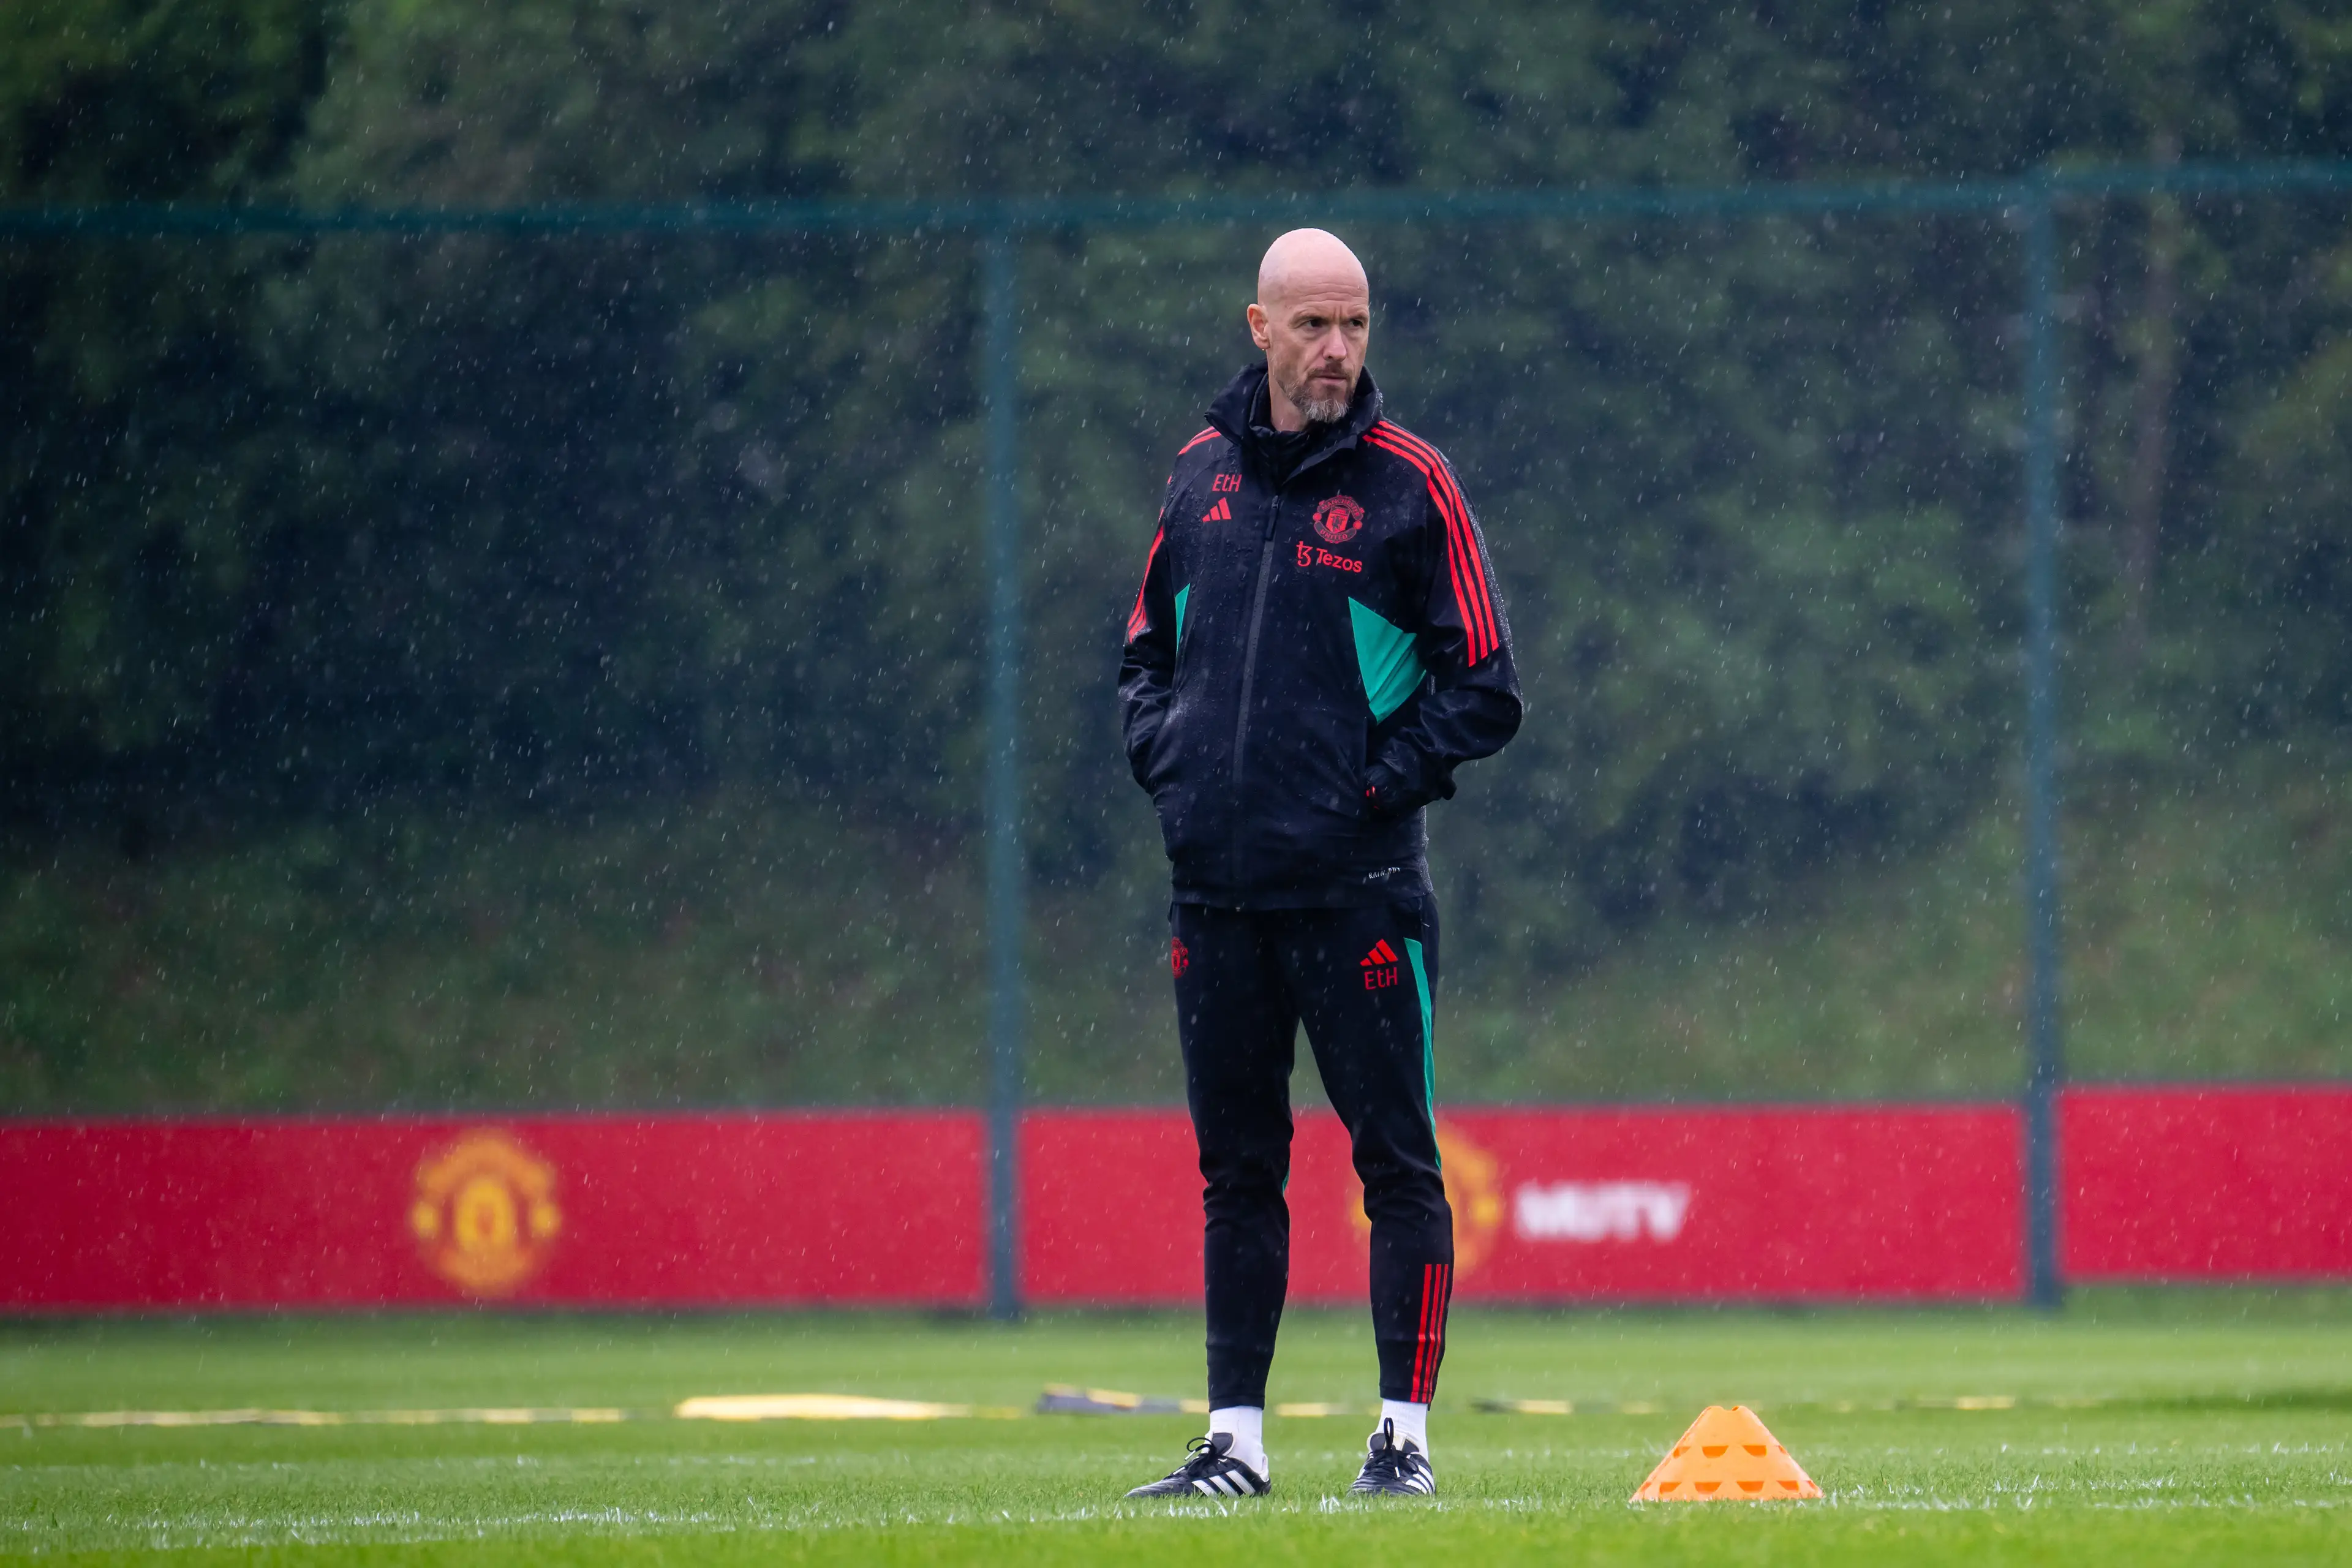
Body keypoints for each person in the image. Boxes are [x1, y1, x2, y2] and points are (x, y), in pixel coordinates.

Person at [1116, 228, 1523, 1499]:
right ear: (1260, 329)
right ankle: (1233, 1443)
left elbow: (1488, 686)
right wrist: (1174, 765)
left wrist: (1366, 788)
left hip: (1358, 895)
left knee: (1396, 1162)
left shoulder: (1413, 485)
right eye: (1312, 325)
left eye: (1354, 323)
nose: (1338, 348)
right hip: (1217, 897)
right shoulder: (1197, 479)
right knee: (1237, 1174)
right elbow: (1143, 658)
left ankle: (1402, 1439)